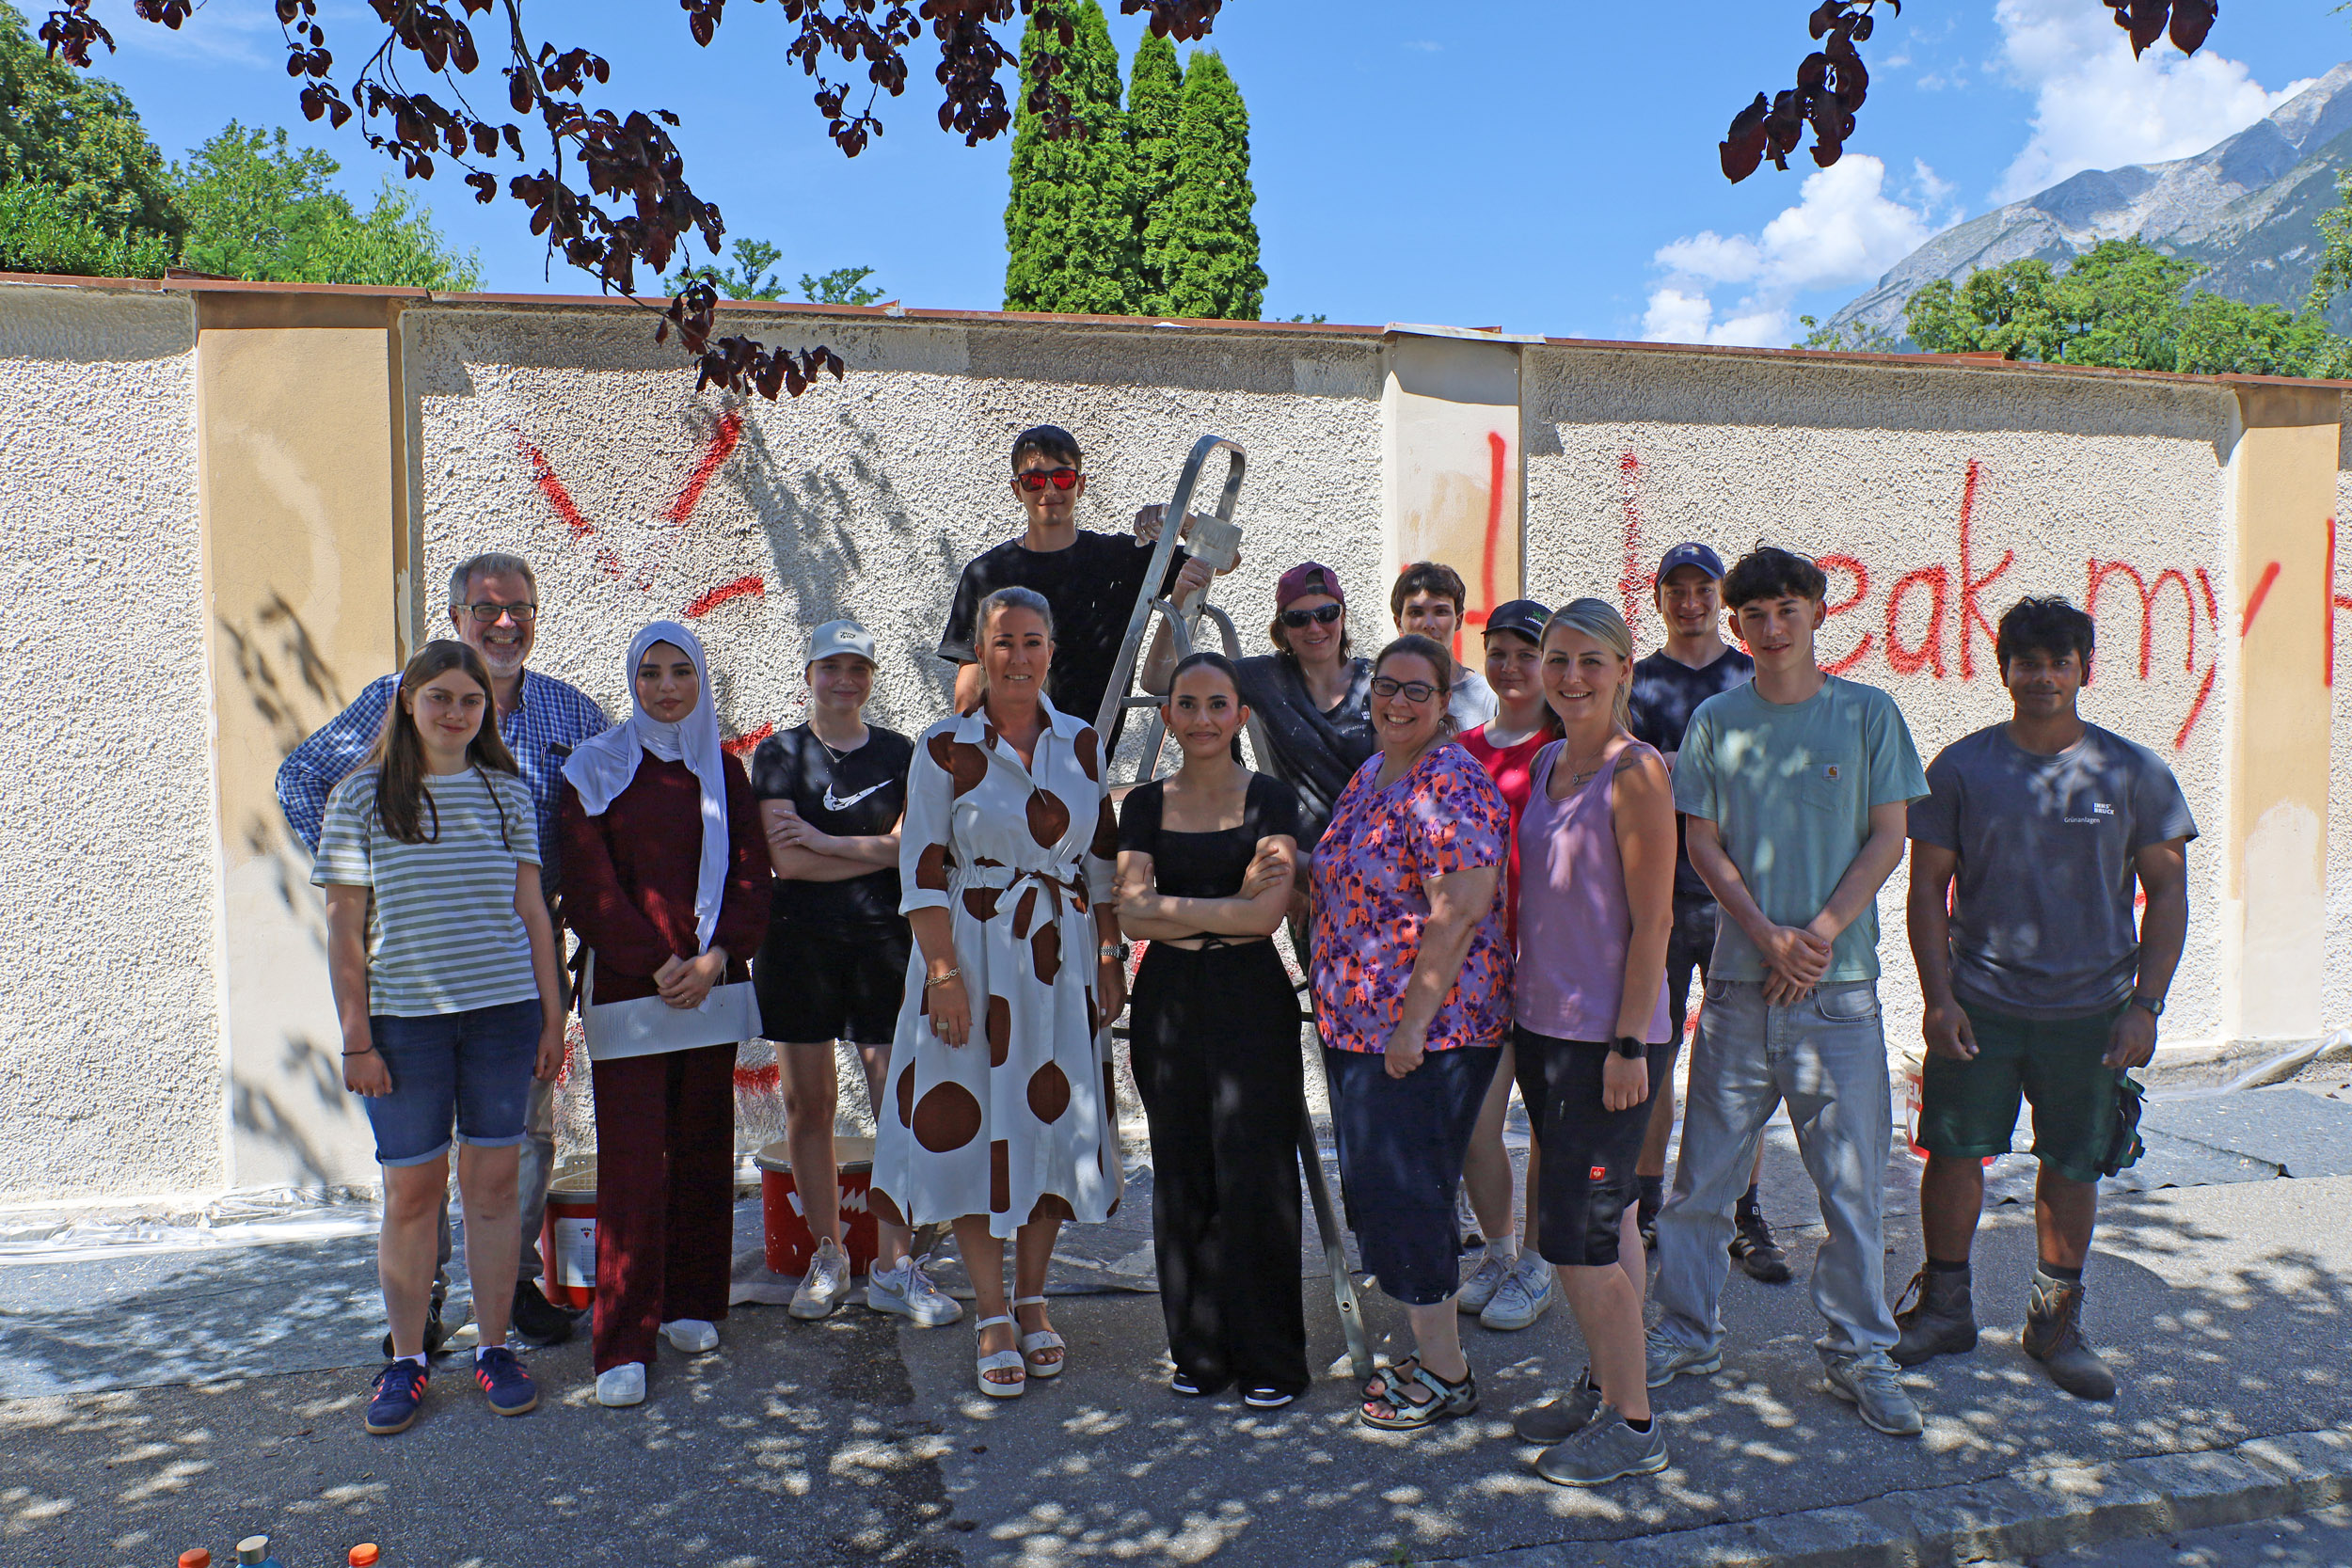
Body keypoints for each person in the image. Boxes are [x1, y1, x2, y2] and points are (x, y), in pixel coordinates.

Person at [278, 551, 609, 1354]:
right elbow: (300, 777)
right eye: (488, 609)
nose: (505, 622)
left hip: (519, 960)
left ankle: (515, 1287)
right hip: (413, 975)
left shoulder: (572, 714)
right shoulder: (397, 702)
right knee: (419, 1162)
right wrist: (369, 879)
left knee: (522, 1142)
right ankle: (421, 1302)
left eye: (520, 607)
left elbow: (616, 809)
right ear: (457, 618)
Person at [1647, 546, 1931, 1437]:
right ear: (1735, 625)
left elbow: (1888, 837)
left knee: (1849, 1190)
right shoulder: (1717, 721)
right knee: (1701, 1183)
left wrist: (1815, 935)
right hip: (1739, 986)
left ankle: (1858, 1352)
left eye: (1787, 610)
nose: (1771, 629)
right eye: (1754, 616)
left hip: (1839, 993)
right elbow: (1703, 844)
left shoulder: (1868, 713)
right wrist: (1767, 933)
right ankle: (1687, 1331)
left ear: (1816, 610)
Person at [1895, 596, 2194, 1402]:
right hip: (1981, 1004)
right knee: (1954, 1151)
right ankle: (1946, 1309)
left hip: (2093, 1015)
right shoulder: (1961, 767)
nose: (2044, 675)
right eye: (2028, 660)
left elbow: (2168, 893)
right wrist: (1937, 997)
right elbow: (1926, 891)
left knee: (2072, 1163)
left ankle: (2054, 1322)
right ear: (2005, 670)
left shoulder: (2133, 772)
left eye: (2061, 660)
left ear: (2084, 670)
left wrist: (2147, 1005)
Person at [871, 586, 1126, 1400]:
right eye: (1002, 641)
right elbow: (921, 870)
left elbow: (1101, 865)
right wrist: (943, 974)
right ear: (981, 650)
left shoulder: (1084, 744)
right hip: (973, 957)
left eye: (1032, 640)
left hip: (1061, 961)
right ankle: (989, 1310)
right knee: (977, 1124)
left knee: (1050, 1117)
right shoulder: (944, 745)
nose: (1018, 655)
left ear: (1053, 649)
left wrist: (1114, 955)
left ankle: (1034, 1296)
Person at [313, 640, 567, 1436]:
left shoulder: (507, 794)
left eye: (471, 700)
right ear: (408, 704)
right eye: (440, 698)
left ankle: (495, 1347)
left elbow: (534, 914)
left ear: (486, 711)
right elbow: (345, 930)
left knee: (493, 1192)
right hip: (402, 1029)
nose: (456, 712)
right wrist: (357, 1037)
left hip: (503, 1020)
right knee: (413, 1195)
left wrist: (554, 1017)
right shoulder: (359, 798)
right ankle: (409, 1358)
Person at [561, 623, 771, 1409]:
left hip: (709, 988)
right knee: (633, 1165)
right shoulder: (595, 769)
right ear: (632, 680)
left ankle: (690, 1301)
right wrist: (655, 963)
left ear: (701, 680)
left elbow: (752, 874)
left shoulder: (724, 771)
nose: (666, 686)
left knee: (702, 1149)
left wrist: (715, 959)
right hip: (630, 987)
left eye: (681, 671)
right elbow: (590, 886)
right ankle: (623, 1336)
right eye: (650, 672)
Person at [1313, 634, 1513, 1431]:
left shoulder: (1450, 782)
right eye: (1386, 688)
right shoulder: (1373, 772)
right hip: (1359, 1025)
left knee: (1412, 1194)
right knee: (1387, 1193)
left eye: (1417, 692)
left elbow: (1459, 909)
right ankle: (1427, 1348)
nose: (1398, 702)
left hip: (1425, 1032)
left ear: (1443, 702)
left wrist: (1411, 1026)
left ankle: (1445, 1373)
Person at [1502, 600, 1677, 1485]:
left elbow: (1653, 924)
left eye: (1589, 661)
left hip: (1606, 1043)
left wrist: (1626, 1047)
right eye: (1557, 659)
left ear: (1622, 669)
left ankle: (1637, 1428)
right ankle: (1611, 1382)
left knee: (1580, 1241)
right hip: (1542, 1030)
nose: (1571, 676)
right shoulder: (1545, 763)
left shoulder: (1635, 771)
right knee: (1617, 1227)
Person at [1116, 652, 1309, 1407]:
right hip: (1167, 998)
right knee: (1183, 1173)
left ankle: (1271, 1360)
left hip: (1251, 995)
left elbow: (1265, 915)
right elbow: (1128, 911)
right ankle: (1199, 1353)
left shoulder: (1271, 797)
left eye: (1216, 704)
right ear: (1167, 716)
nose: (1201, 718)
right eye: (1186, 704)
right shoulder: (1142, 806)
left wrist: (1176, 909)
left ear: (1240, 716)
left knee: (1257, 1176)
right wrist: (1222, 903)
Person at [750, 620, 952, 1327]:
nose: (844, 680)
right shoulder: (778, 754)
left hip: (881, 945)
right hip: (797, 945)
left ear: (870, 677)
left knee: (896, 1103)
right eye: (831, 667)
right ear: (809, 674)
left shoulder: (902, 752)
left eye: (857, 668)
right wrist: (873, 847)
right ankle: (829, 1252)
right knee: (811, 1107)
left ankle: (895, 1265)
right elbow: (790, 863)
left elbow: (915, 852)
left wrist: (829, 839)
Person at [1626, 543, 1788, 1283]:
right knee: (1651, 1062)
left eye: (1702, 589)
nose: (1689, 601)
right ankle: (1648, 1199)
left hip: (1736, 901)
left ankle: (1742, 1209)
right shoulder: (1636, 681)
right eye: (1676, 589)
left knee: (1741, 1069)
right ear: (1657, 597)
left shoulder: (1751, 678)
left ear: (1718, 600)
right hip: (1653, 902)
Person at [939, 424, 1218, 752]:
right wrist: (965, 758)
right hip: (1005, 756)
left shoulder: (1120, 559)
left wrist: (1180, 520)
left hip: (1088, 755)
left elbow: (1222, 560)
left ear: (1080, 484)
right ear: (1017, 490)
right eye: (1034, 480)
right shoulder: (987, 572)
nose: (1048, 490)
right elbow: (970, 684)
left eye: (1062, 478)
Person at [1454, 597, 1563, 1333]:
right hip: (1478, 965)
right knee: (1474, 1123)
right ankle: (1498, 1249)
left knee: (1553, 1127)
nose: (1512, 665)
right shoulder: (1457, 748)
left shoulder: (1573, 743)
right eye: (1499, 650)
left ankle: (1541, 1262)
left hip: (1556, 961)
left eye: (1529, 652)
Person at [1225, 561, 1376, 856]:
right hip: (1302, 866)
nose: (1314, 627)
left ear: (1342, 617)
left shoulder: (1378, 681)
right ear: (1283, 627)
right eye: (1298, 618)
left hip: (1372, 857)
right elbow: (1159, 680)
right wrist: (1179, 597)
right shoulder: (1266, 677)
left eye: (1327, 614)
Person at [1391, 562, 1499, 731]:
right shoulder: (1383, 693)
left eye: (1440, 612)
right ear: (1399, 623)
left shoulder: (1487, 697)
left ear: (1458, 620)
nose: (1428, 624)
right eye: (1416, 613)